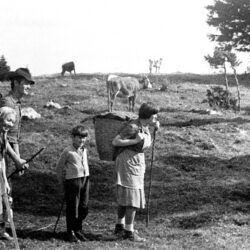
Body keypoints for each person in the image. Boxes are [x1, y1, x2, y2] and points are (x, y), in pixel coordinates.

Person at [112, 102, 160, 242]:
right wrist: (134, 141)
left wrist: (154, 128)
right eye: (154, 115)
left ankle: (120, 227)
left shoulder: (144, 126)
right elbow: (115, 142)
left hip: (136, 162)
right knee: (132, 197)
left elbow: (145, 141)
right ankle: (129, 232)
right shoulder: (133, 126)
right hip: (127, 162)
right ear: (148, 116)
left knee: (127, 195)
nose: (156, 117)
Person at [56, 125, 90, 243]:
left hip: (85, 180)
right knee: (72, 208)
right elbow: (59, 168)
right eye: (79, 137)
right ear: (73, 137)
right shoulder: (68, 151)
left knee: (84, 207)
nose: (82, 140)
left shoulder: (84, 150)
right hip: (72, 181)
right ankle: (70, 232)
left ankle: (78, 229)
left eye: (84, 137)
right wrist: (62, 184)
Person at [0, 107, 17, 241]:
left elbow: (2, 161)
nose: (10, 124)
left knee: (2, 204)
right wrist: (4, 181)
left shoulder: (3, 135)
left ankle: (1, 232)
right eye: (8, 120)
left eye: (13, 122)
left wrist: (5, 180)